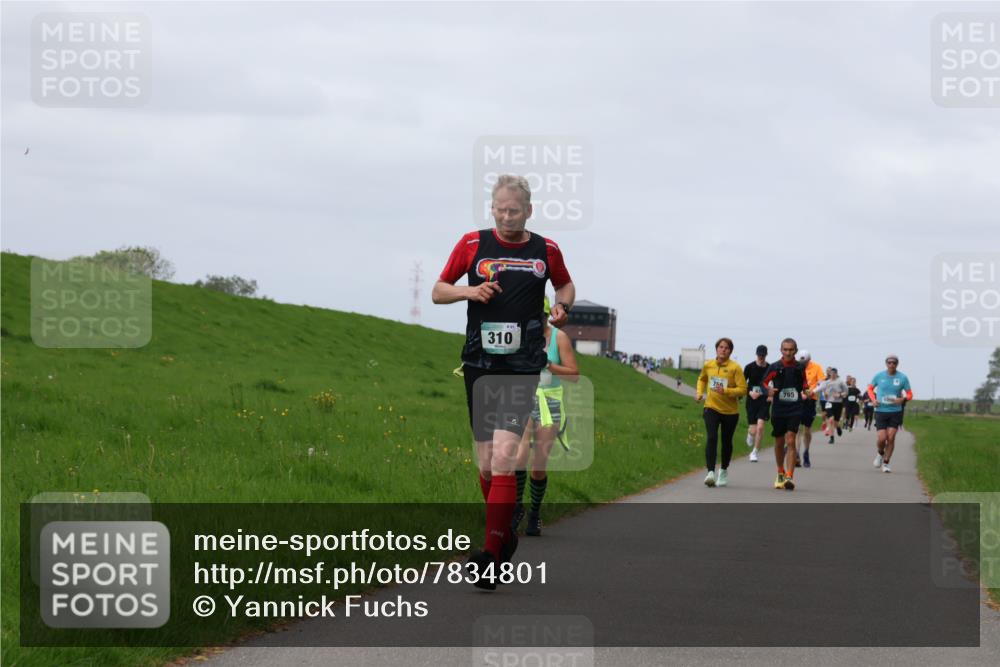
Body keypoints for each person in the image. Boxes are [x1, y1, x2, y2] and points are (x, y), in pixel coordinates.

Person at [432, 174, 575, 589]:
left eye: (515, 210)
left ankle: (491, 556)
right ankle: (504, 534)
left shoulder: (545, 250)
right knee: (485, 462)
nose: (507, 216)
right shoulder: (472, 245)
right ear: (492, 208)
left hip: (522, 364)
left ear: (528, 211)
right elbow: (439, 290)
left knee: (505, 456)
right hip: (479, 362)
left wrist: (562, 306)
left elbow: (564, 284)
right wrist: (469, 294)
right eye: (501, 209)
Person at [511, 297, 579, 537]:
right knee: (518, 457)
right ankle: (517, 508)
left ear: (546, 315)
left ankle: (535, 514)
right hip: (523, 398)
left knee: (538, 465)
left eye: (538, 316)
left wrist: (549, 365)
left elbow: (574, 375)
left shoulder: (559, 338)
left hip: (549, 403)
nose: (533, 321)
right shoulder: (518, 334)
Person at [695, 338, 748, 487]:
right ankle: (710, 472)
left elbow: (743, 389)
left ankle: (723, 470)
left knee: (726, 442)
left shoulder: (735, 368)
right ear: (716, 349)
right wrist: (699, 393)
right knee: (712, 437)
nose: (723, 350)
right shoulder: (708, 365)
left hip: (730, 412)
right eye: (720, 347)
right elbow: (702, 379)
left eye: (726, 348)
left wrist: (726, 391)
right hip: (711, 407)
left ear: (730, 351)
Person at [762, 338, 809, 491]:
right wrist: (768, 390)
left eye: (791, 350)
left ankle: (789, 476)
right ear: (781, 350)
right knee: (779, 441)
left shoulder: (800, 367)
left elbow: (804, 384)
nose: (788, 352)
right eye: (785, 349)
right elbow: (763, 383)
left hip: (795, 408)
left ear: (795, 351)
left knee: (791, 439)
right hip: (779, 409)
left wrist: (807, 391)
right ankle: (780, 472)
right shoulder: (775, 367)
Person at [868, 354, 913, 473]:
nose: (891, 364)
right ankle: (880, 453)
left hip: (895, 411)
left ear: (897, 364)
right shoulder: (879, 376)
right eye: (889, 362)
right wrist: (873, 400)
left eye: (894, 363)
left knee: (891, 437)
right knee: (882, 438)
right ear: (886, 364)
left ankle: (886, 463)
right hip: (881, 410)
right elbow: (870, 389)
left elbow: (910, 394)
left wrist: (902, 399)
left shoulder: (903, 377)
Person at [795, 350, 826, 468]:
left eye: (805, 362)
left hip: (810, 400)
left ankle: (806, 452)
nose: (803, 364)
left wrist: (810, 392)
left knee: (807, 429)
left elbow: (822, 384)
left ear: (809, 360)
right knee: (796, 428)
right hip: (797, 400)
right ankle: (796, 454)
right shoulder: (795, 367)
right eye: (801, 362)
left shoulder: (816, 367)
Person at [743, 344, 771, 463]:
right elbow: (742, 383)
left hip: (764, 400)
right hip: (751, 400)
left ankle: (754, 452)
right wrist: (749, 392)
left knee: (760, 427)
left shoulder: (770, 368)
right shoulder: (749, 367)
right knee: (753, 429)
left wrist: (769, 395)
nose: (761, 357)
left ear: (766, 355)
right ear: (756, 354)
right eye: (759, 355)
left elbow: (772, 384)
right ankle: (750, 434)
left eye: (763, 355)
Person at [821, 368, 848, 444]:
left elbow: (846, 393)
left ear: (836, 374)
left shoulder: (841, 382)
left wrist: (839, 395)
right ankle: (831, 437)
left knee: (835, 422)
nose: (832, 374)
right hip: (829, 403)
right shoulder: (827, 382)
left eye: (833, 373)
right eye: (831, 373)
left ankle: (838, 427)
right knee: (831, 420)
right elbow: (825, 393)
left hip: (838, 403)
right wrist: (825, 395)